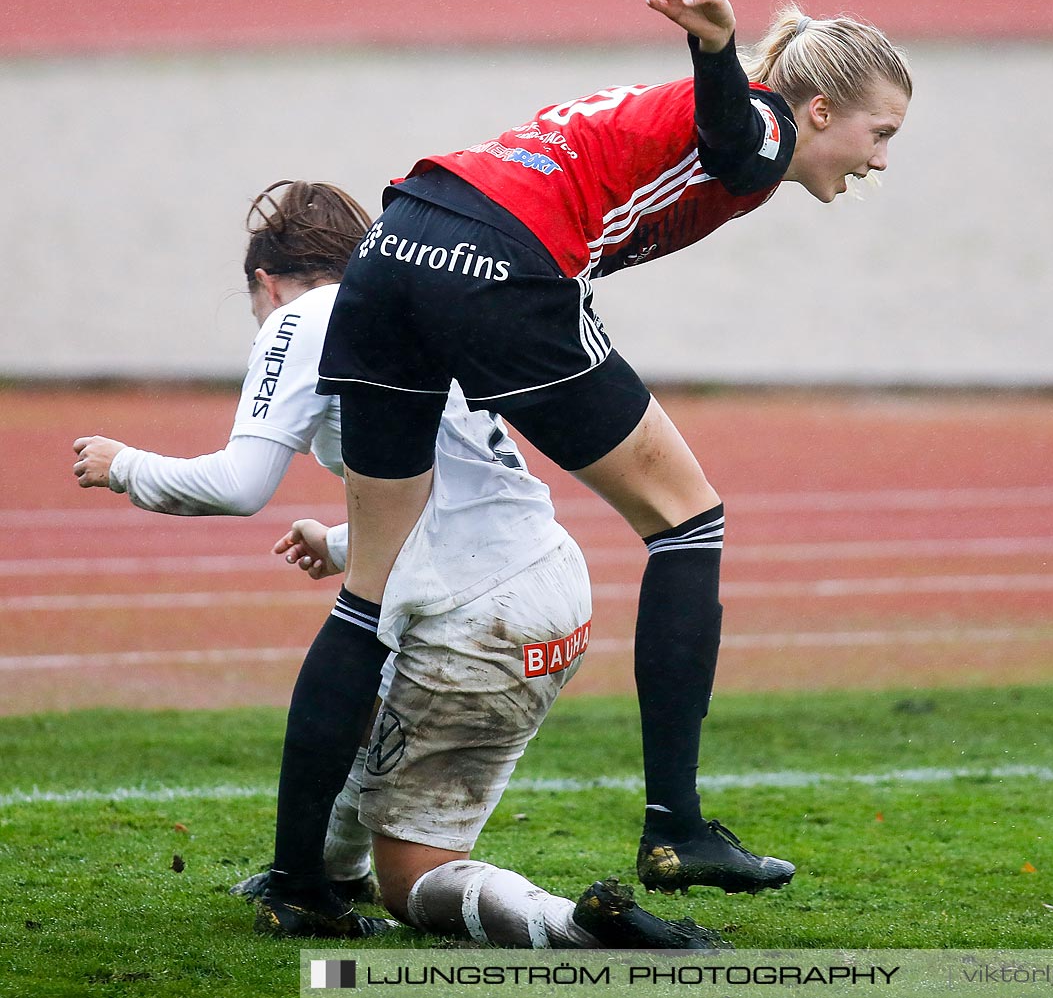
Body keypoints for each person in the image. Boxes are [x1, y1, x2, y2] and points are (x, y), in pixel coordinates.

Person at [310, 0, 913, 910]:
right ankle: (675, 827)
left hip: (394, 241)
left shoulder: (704, 114)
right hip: (503, 258)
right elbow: (738, 137)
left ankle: (298, 878)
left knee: (369, 585)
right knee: (690, 518)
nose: (881, 159)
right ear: (824, 110)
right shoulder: (762, 119)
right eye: (882, 134)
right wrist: (714, 45)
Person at [72, 181, 723, 948]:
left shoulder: (305, 316)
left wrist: (125, 466)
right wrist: (347, 543)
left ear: (264, 281)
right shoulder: (417, 305)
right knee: (368, 703)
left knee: (414, 877)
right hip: (550, 586)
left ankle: (573, 927)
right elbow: (456, 488)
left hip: (477, 616)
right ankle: (322, 874)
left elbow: (240, 484)